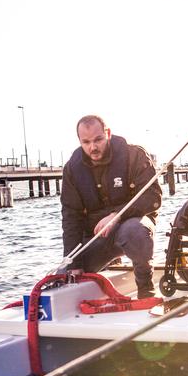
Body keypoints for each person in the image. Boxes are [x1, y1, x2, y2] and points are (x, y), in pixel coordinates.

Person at [61, 115, 162, 298]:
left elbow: (153, 197)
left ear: (107, 133)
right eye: (86, 142)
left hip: (132, 228)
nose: (93, 147)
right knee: (60, 279)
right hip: (96, 238)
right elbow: (71, 218)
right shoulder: (71, 170)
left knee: (134, 230)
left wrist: (117, 215)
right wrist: (73, 263)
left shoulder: (134, 155)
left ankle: (146, 289)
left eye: (98, 139)